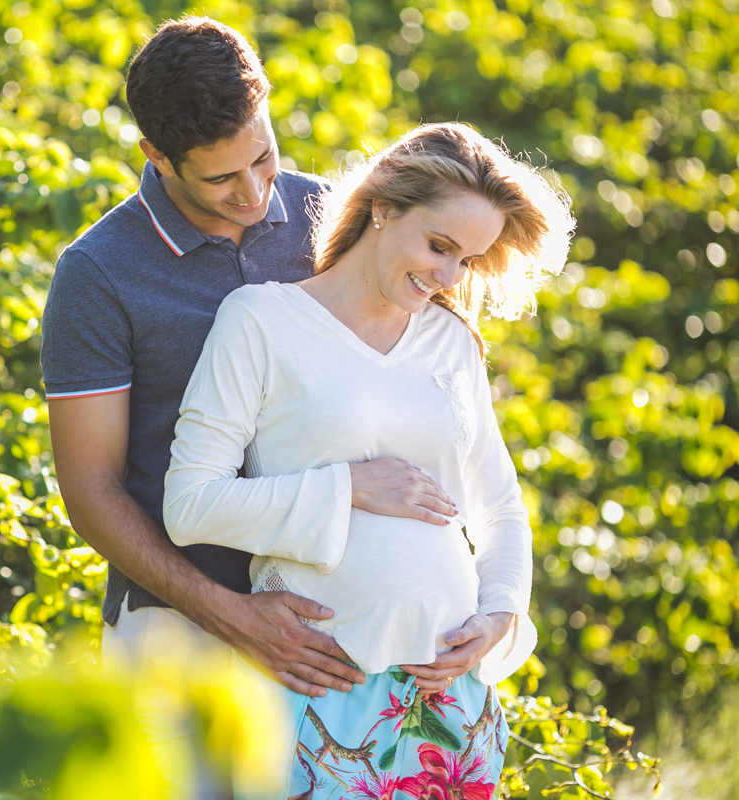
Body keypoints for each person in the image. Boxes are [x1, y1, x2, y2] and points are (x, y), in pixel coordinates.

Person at [162, 122, 575, 798]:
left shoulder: (451, 341)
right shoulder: (262, 321)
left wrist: (501, 612)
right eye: (439, 246)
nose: (447, 276)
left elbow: (499, 505)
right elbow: (190, 503)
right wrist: (348, 487)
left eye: (467, 261)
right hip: (322, 694)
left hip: (448, 703)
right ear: (383, 207)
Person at [40, 16, 397, 796]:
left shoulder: (335, 218)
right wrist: (228, 613)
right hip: (173, 636)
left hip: (333, 622)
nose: (254, 192)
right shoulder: (96, 274)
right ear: (157, 157)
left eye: (264, 156)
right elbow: (91, 490)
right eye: (220, 178)